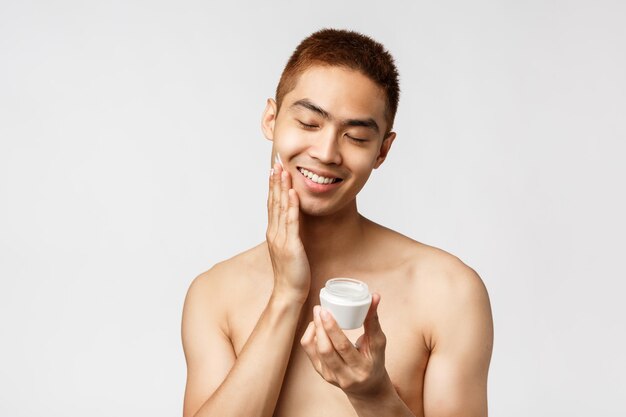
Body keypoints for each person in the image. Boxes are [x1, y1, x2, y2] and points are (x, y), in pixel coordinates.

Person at [181, 28, 493, 417]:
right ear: (270, 119)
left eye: (356, 137)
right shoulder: (214, 295)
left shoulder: (447, 290)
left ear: (382, 151)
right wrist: (287, 295)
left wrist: (375, 396)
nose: (327, 152)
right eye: (310, 123)